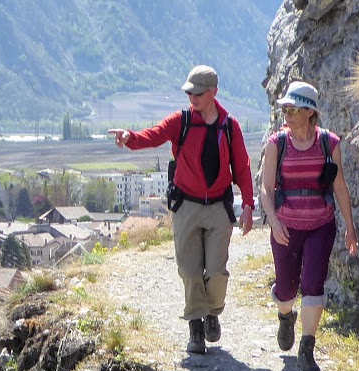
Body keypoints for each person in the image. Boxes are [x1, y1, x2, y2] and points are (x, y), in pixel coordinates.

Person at [109, 65, 255, 353]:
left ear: (214, 92)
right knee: (189, 270)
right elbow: (154, 135)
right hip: (186, 206)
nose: (193, 98)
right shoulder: (182, 121)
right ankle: (196, 326)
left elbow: (242, 167)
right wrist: (130, 137)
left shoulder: (230, 126)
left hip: (218, 207)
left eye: (198, 93)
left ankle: (213, 311)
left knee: (216, 271)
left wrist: (248, 205)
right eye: (189, 93)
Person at [258, 80, 357, 371]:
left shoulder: (329, 144)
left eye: (293, 110)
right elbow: (266, 189)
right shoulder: (277, 144)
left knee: (314, 284)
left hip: (321, 226)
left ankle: (307, 349)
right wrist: (274, 222)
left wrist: (350, 227)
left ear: (309, 112)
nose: (287, 115)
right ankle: (285, 315)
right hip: (286, 227)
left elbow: (340, 186)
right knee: (287, 289)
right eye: (285, 110)